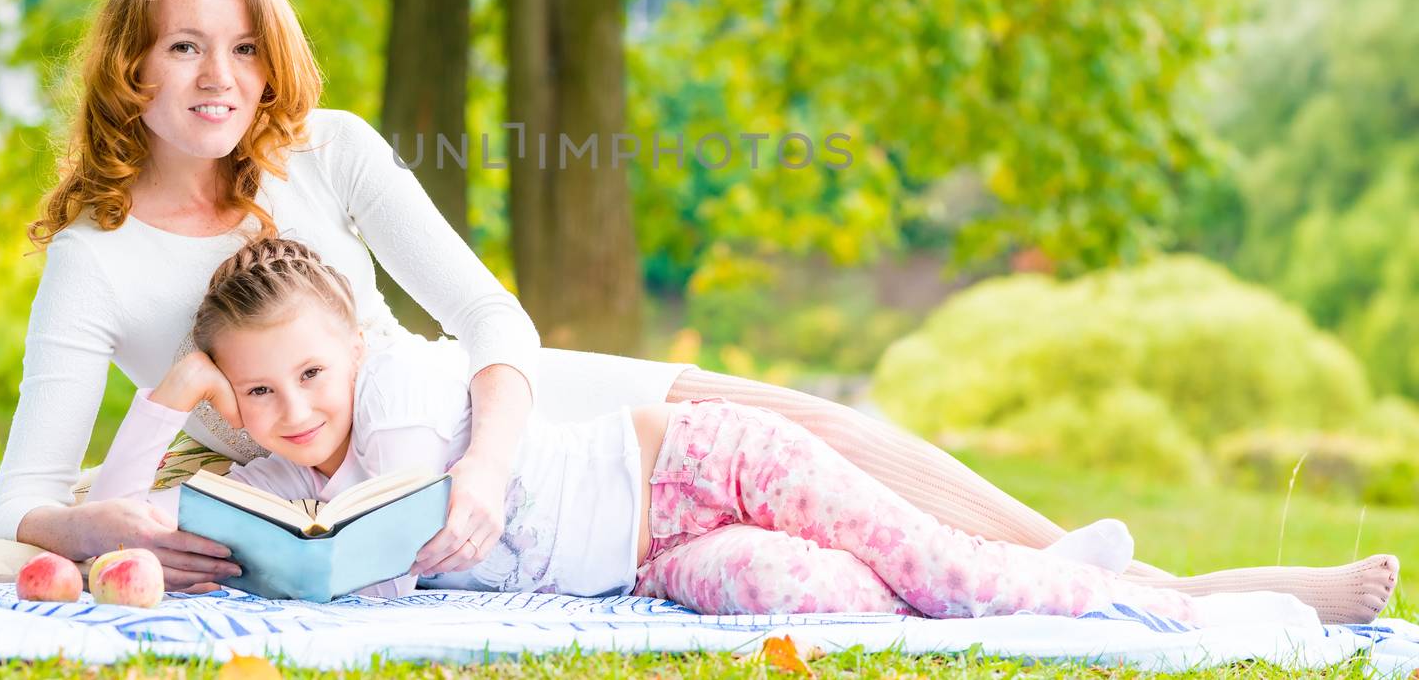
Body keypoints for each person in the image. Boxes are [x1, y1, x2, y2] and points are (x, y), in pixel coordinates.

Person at [0, 0, 1398, 622]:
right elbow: (15, 517)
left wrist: (481, 467)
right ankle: (1143, 603)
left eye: (239, 44)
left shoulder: (330, 149)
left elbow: (492, 319)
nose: (217, 78)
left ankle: (1182, 595)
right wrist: (108, 532)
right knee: (802, 556)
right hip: (366, 490)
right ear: (128, 65)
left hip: (496, 423)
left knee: (817, 428)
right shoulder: (97, 268)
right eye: (180, 45)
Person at [89, 236, 1328, 628]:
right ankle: (1056, 584)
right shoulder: (274, 456)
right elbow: (132, 497)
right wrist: (172, 395)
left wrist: (286, 519)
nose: (294, 411)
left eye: (309, 373)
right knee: (845, 604)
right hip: (655, 561)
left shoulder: (400, 398)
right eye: (257, 395)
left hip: (692, 460)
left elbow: (390, 519)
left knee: (939, 566)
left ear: (354, 345)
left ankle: (1202, 609)